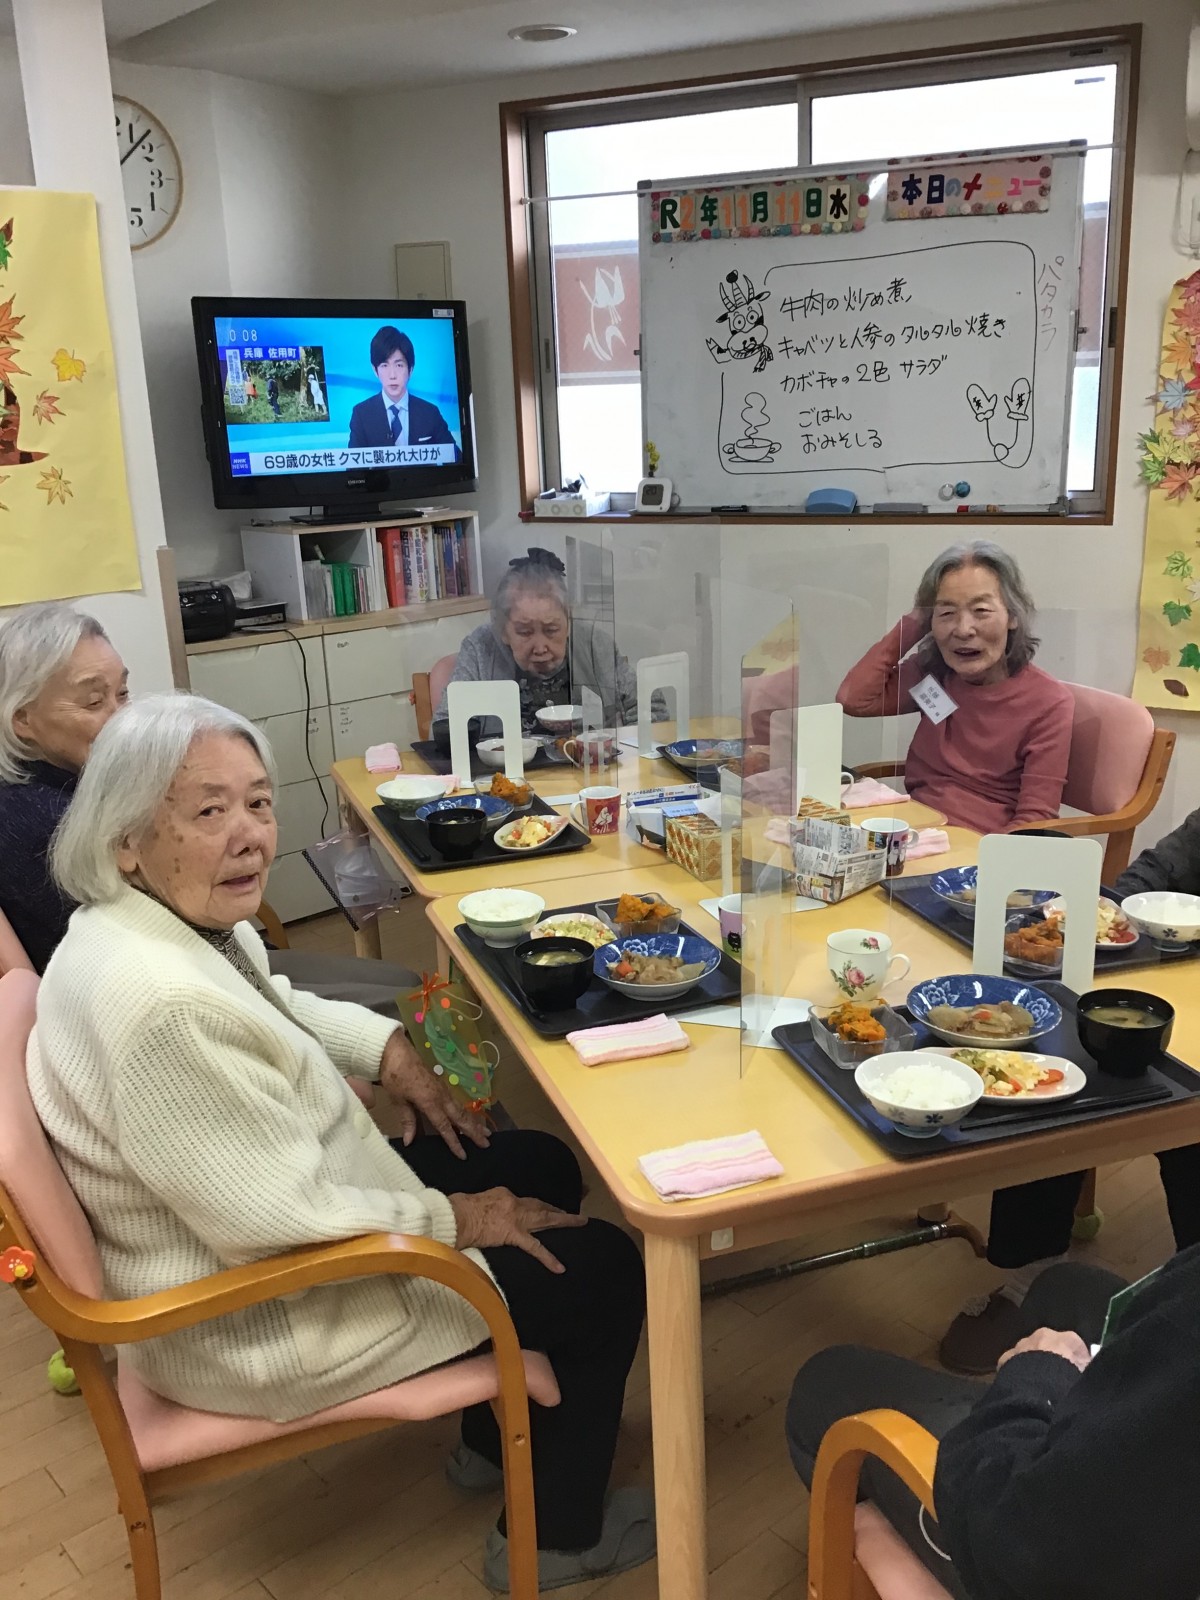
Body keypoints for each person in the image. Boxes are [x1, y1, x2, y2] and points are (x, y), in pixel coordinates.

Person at [29, 694, 654, 1591]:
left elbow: (273, 1004)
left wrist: (393, 1053)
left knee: (538, 1162)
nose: (250, 834)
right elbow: (273, 1223)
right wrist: (460, 1220)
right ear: (126, 836)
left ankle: (494, 1437)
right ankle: (559, 1537)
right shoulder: (160, 1006)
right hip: (261, 1313)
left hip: (261, 1214)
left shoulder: (145, 920)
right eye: (209, 810)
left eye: (258, 801)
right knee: (604, 1269)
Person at [0, 602, 412, 1014]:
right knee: (407, 1001)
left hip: (215, 954)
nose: (121, 716)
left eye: (122, 694)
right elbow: (150, 956)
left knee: (404, 985)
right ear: (23, 719)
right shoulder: (41, 823)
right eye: (93, 702)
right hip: (187, 986)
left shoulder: (82, 781)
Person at [938, 811, 1200, 1373]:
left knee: (1191, 1120)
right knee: (1064, 1059)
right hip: (1176, 983)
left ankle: (1189, 1295)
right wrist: (1103, 915)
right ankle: (1031, 1269)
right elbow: (1155, 870)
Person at [787, 1250, 1200, 1600]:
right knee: (1064, 1290)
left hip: (1034, 1545)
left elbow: (1027, 1540)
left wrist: (1034, 1378)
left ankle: (906, 1553)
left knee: (828, 1384)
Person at [837, 542, 1074, 834]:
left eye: (981, 610)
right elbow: (853, 699)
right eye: (947, 613)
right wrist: (913, 623)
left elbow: (1034, 820)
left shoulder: (1049, 702)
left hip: (981, 844)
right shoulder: (934, 672)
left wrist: (982, 856)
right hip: (916, 828)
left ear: (1013, 616)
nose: (963, 630)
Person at [431, 548, 645, 744]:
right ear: (503, 629)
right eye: (525, 632)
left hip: (592, 768)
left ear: (568, 622)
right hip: (506, 770)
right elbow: (446, 729)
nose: (540, 648)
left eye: (551, 630)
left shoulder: (594, 643)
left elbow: (650, 711)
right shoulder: (480, 648)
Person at [347, 326, 456, 451]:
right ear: (375, 370)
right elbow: (354, 462)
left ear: (411, 369)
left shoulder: (430, 413)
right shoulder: (361, 414)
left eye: (399, 365)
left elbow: (454, 456)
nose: (392, 375)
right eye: (384, 365)